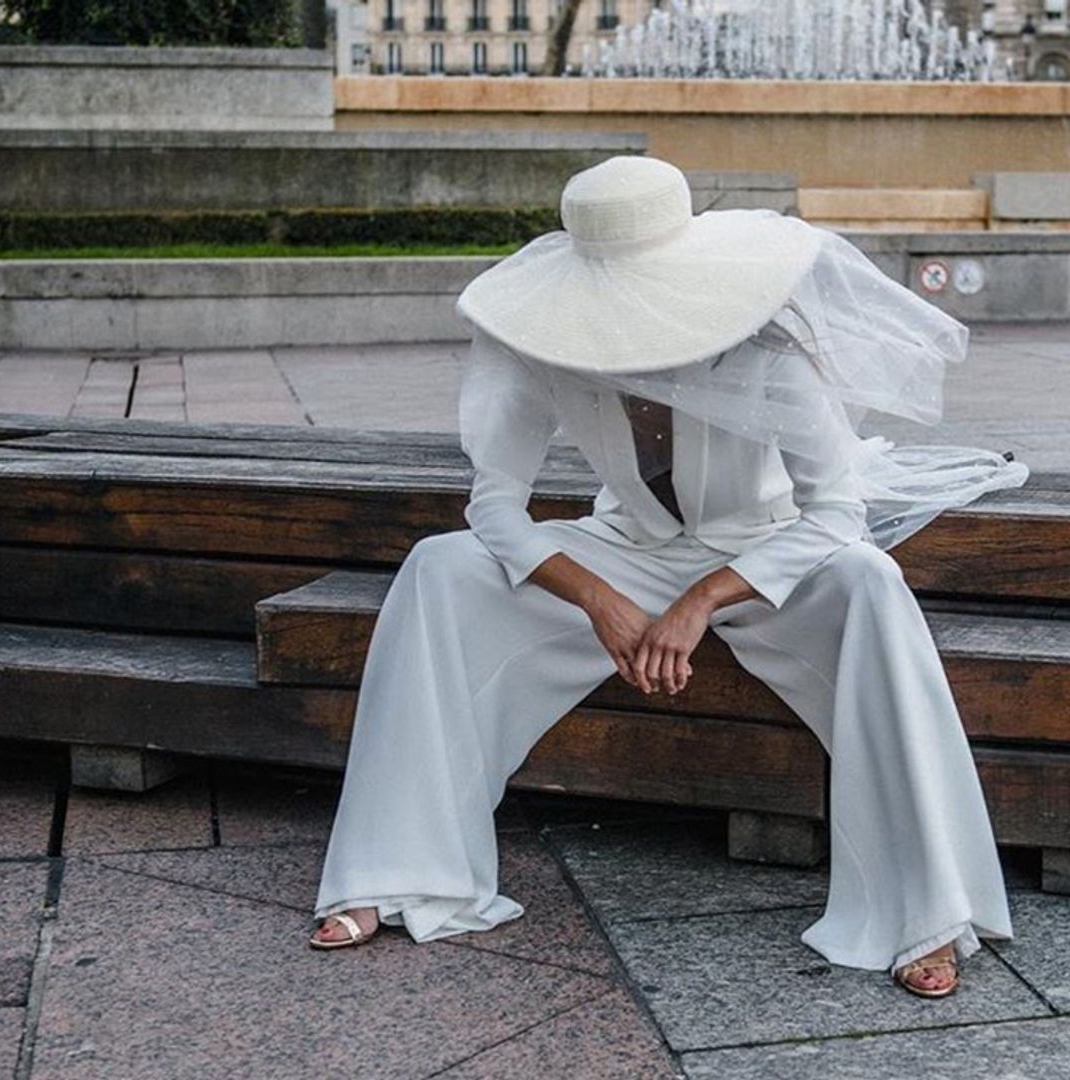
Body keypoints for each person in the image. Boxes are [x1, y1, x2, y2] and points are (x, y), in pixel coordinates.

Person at [309, 155, 1029, 999]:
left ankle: (924, 912)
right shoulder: (540, 338)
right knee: (440, 568)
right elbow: (495, 507)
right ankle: (397, 872)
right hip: (628, 549)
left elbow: (835, 513)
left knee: (870, 581)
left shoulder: (765, 349)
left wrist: (703, 599)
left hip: (766, 554)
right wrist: (602, 602)